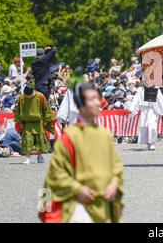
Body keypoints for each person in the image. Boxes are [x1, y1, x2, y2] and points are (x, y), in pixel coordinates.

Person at [41, 82, 123, 223]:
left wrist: (114, 183)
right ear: (80, 104)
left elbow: (116, 166)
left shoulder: (104, 135)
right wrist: (77, 188)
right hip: (78, 203)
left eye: (98, 98)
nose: (98, 103)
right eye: (92, 99)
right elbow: (56, 173)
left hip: (103, 203)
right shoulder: (69, 138)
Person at [14, 81, 55, 164]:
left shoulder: (40, 96)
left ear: (33, 91)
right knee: (27, 140)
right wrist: (19, 121)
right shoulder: (21, 98)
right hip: (27, 123)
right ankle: (27, 157)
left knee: (39, 141)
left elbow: (46, 109)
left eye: (30, 95)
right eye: (27, 95)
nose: (28, 97)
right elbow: (18, 110)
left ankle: (40, 156)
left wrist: (46, 120)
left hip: (39, 122)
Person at [128, 84, 163, 151]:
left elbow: (160, 99)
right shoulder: (140, 89)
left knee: (152, 125)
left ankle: (152, 143)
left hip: (153, 109)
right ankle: (147, 143)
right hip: (144, 109)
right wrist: (131, 109)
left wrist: (161, 109)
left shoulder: (156, 88)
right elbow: (136, 100)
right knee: (144, 126)